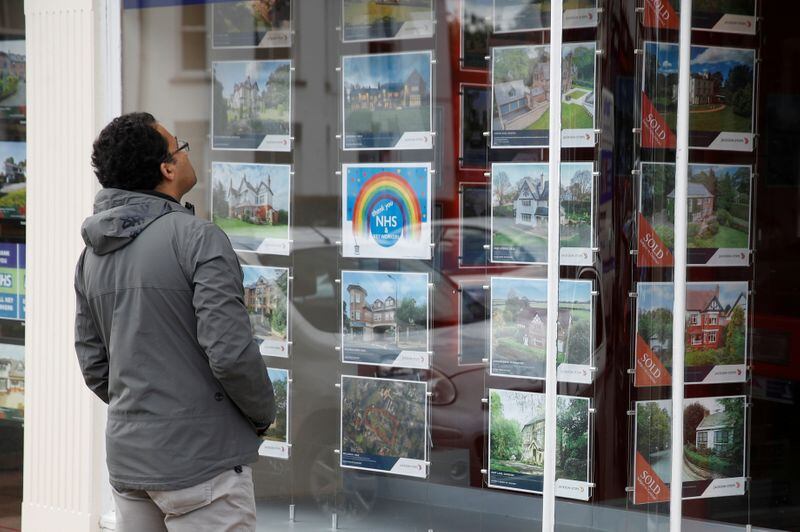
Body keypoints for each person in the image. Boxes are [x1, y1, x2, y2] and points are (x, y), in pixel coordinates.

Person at [74, 112, 275, 531]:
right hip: (203, 467)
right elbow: (231, 353)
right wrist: (261, 415)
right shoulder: (198, 239)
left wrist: (145, 414)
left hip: (130, 464)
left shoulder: (91, 255)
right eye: (179, 147)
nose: (185, 153)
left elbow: (95, 367)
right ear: (167, 168)